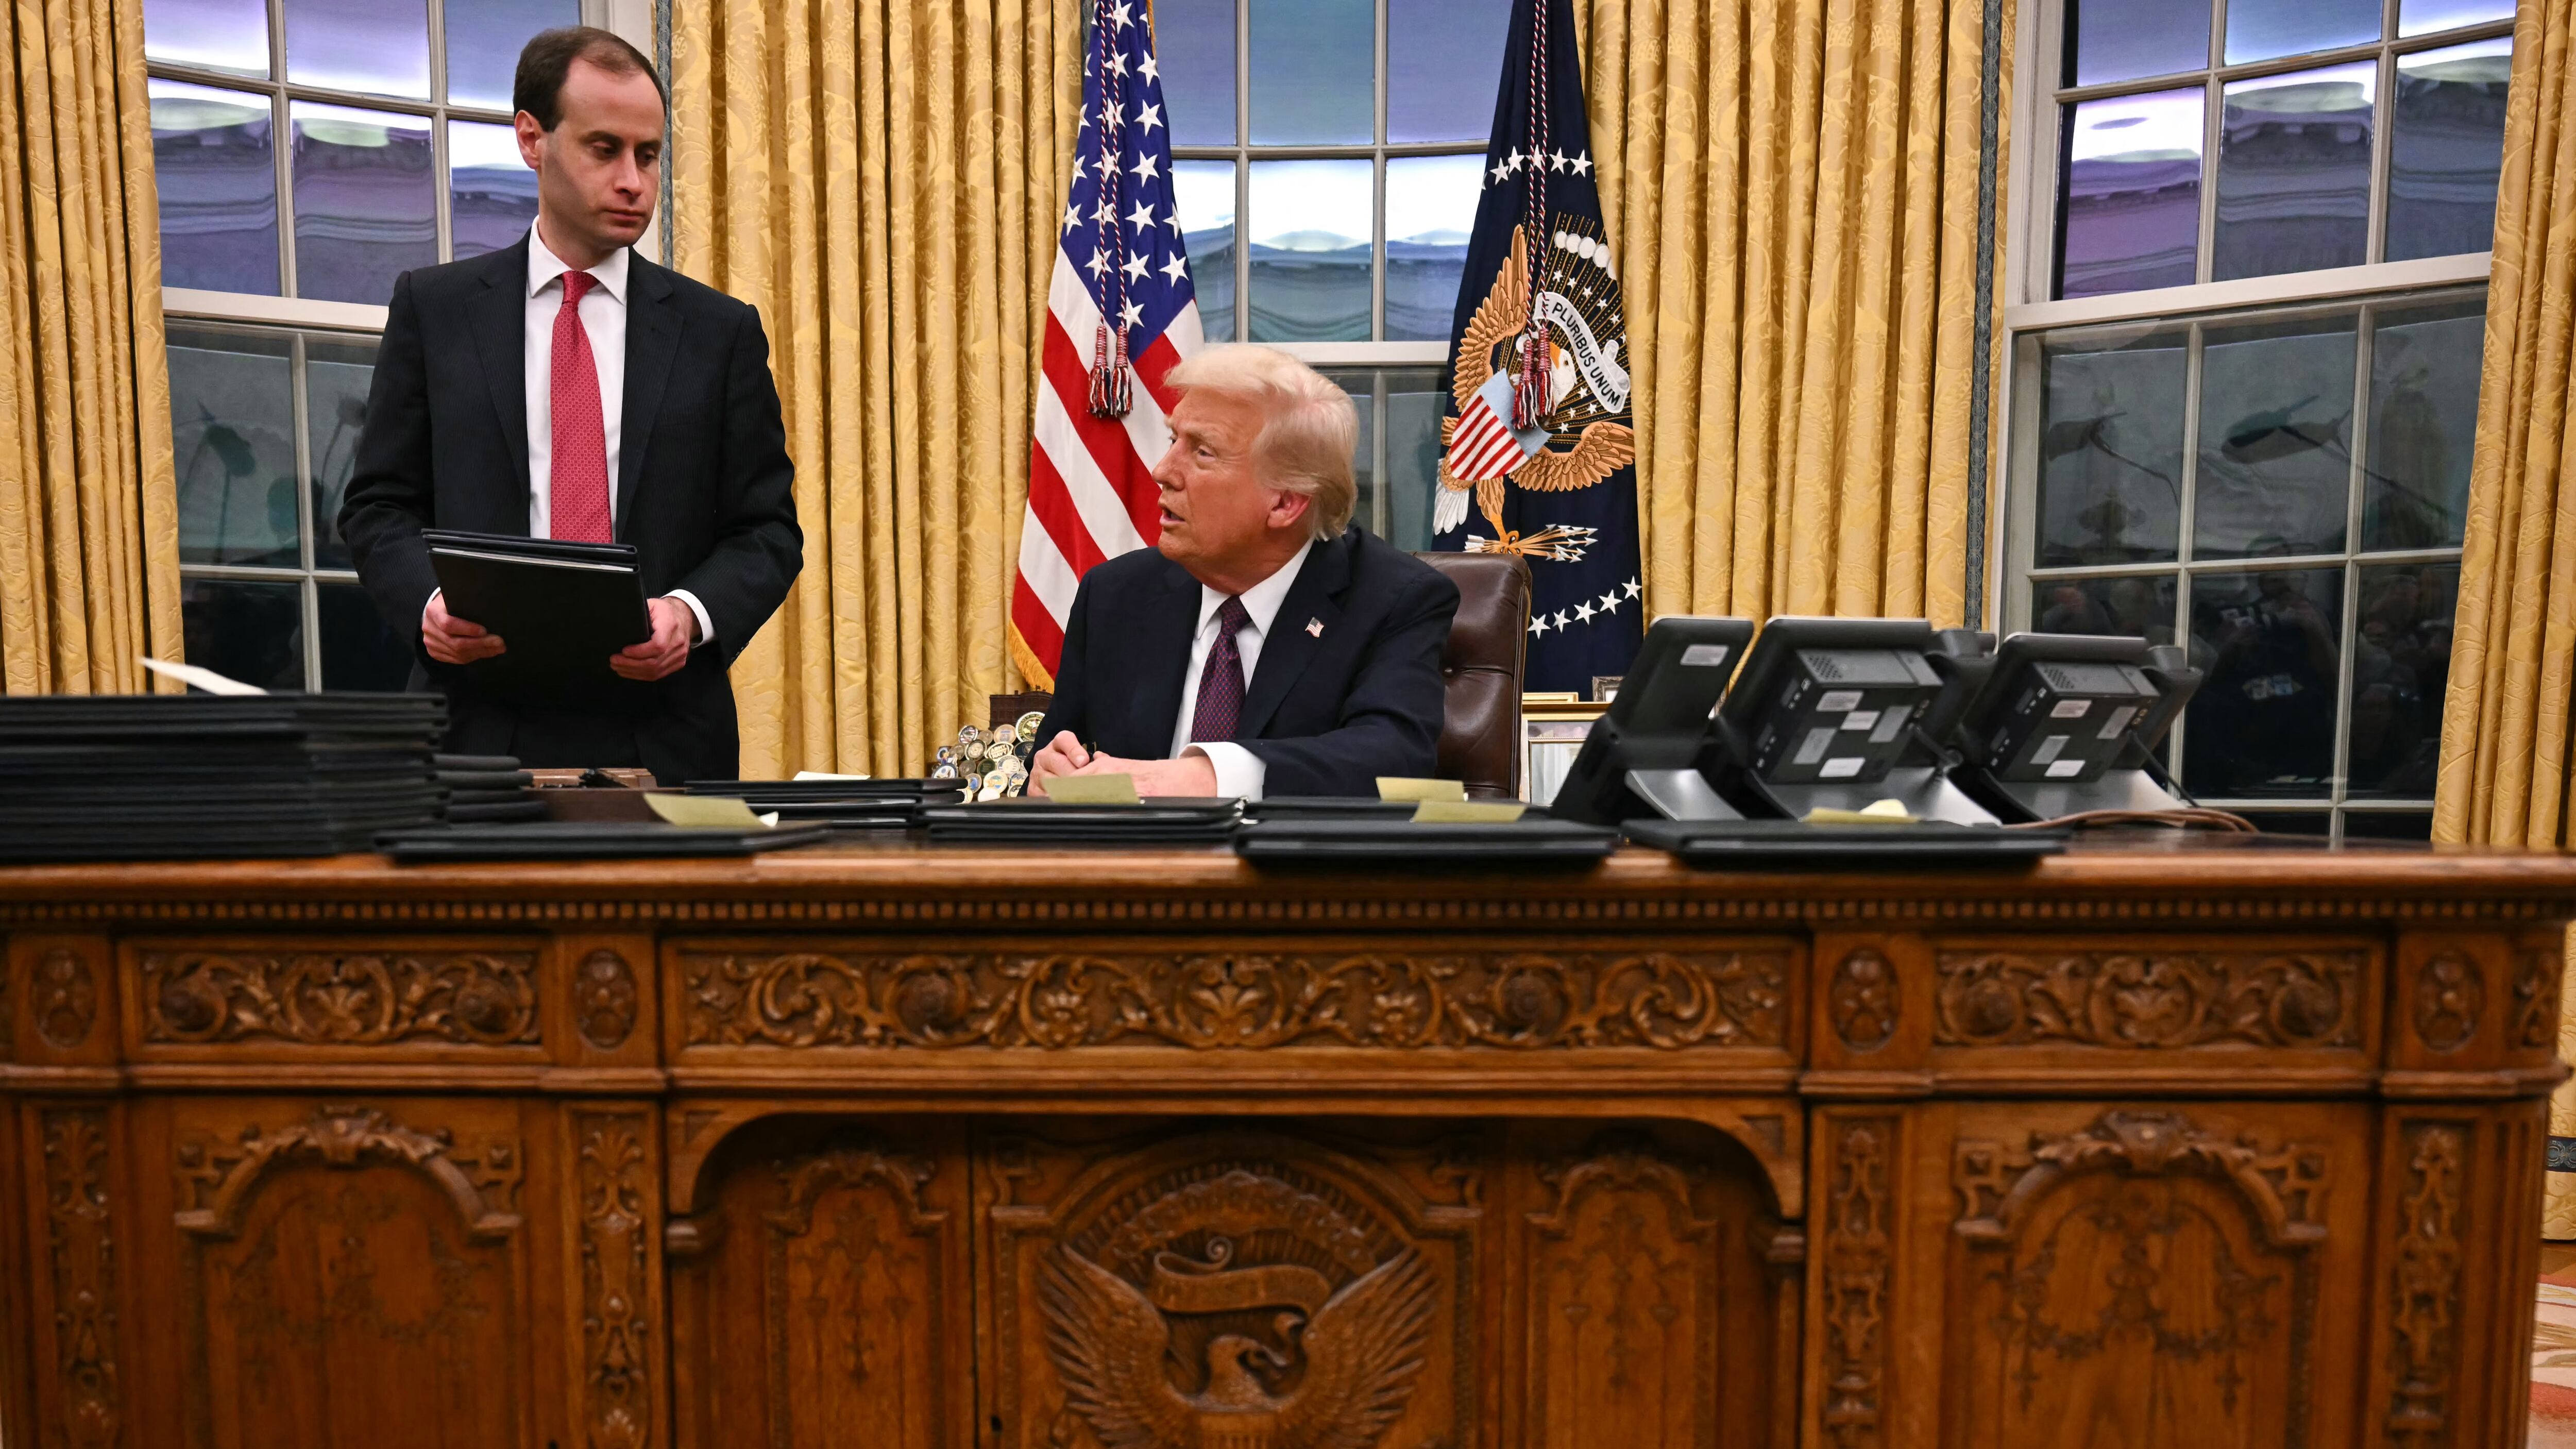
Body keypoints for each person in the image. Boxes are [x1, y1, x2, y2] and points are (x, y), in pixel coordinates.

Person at [338, 27, 800, 785]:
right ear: (531, 139)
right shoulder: (436, 309)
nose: (634, 182)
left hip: (667, 740)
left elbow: (767, 530)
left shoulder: (720, 333)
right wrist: (426, 602)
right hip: (474, 735)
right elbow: (378, 507)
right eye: (604, 149)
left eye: (648, 156)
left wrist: (688, 613)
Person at [1030, 345, 1459, 799]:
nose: (1162, 471)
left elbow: (1394, 759)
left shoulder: (1393, 599)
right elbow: (1059, 762)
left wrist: (1208, 776)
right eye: (1173, 439)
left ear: (1285, 502)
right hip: (1137, 869)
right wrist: (1051, 773)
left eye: (1203, 453)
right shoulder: (1115, 596)